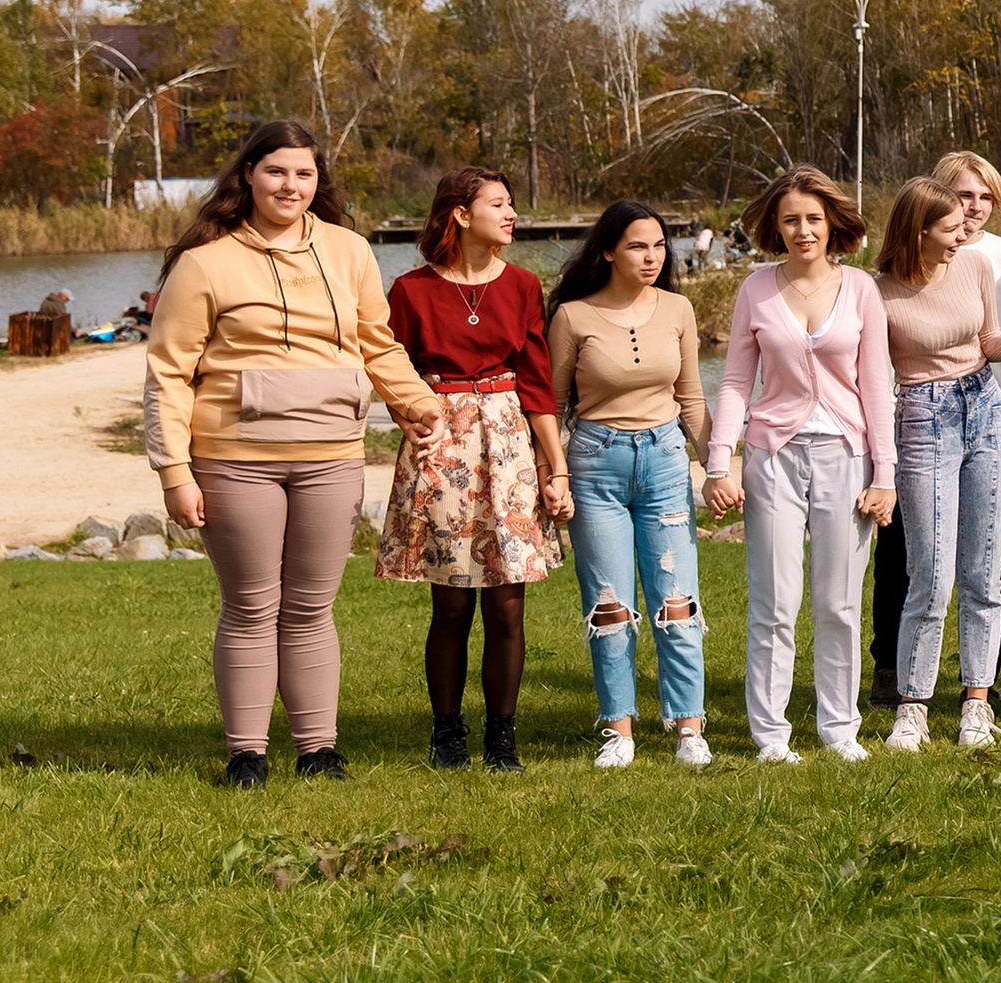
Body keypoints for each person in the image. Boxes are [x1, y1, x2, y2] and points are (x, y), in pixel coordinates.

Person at [145, 119, 439, 788]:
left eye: (303, 173)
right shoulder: (205, 261)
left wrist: (415, 404)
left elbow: (378, 343)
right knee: (251, 606)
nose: (290, 184)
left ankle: (318, 751)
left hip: (332, 453)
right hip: (233, 457)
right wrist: (174, 472)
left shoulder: (350, 251)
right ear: (247, 174)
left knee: (311, 608)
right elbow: (167, 371)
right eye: (276, 170)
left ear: (317, 181)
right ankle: (246, 754)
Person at [377, 167, 571, 773]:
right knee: (453, 602)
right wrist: (412, 420)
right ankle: (447, 735)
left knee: (508, 601)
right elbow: (391, 371)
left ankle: (502, 738)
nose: (512, 215)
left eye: (512, 205)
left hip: (510, 441)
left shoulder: (521, 285)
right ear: (460, 215)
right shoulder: (410, 290)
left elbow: (538, 382)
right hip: (443, 448)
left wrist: (555, 468)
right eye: (500, 204)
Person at [700, 167, 895, 765]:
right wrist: (718, 462)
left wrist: (885, 475)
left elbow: (875, 386)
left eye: (813, 218)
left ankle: (839, 729)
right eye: (790, 220)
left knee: (839, 603)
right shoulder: (755, 289)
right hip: (772, 457)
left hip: (847, 457)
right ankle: (771, 737)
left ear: (832, 222)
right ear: (774, 226)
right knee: (775, 602)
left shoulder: (862, 288)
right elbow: (735, 380)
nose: (803, 230)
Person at [866, 152, 1001, 707]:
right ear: (921, 227)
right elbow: (874, 376)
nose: (966, 228)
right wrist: (881, 461)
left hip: (984, 406)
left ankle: (977, 699)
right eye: (953, 220)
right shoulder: (878, 290)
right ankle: (905, 697)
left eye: (981, 202)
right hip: (922, 417)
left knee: (984, 572)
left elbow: (987, 338)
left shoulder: (979, 264)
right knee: (926, 572)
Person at [548, 201, 713, 769]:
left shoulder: (679, 309)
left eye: (660, 246)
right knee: (609, 604)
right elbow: (551, 404)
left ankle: (689, 728)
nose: (652, 257)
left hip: (666, 462)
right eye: (639, 246)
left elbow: (691, 398)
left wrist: (717, 466)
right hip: (596, 466)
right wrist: (556, 474)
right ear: (609, 251)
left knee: (677, 602)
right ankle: (619, 730)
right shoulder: (573, 316)